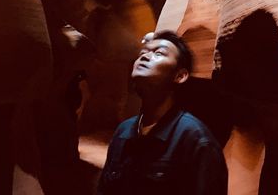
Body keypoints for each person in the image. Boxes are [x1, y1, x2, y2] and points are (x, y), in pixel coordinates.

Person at [97, 30, 228, 194]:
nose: (144, 57)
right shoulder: (123, 131)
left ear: (180, 75)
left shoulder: (196, 141)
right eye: (142, 53)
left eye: (159, 53)